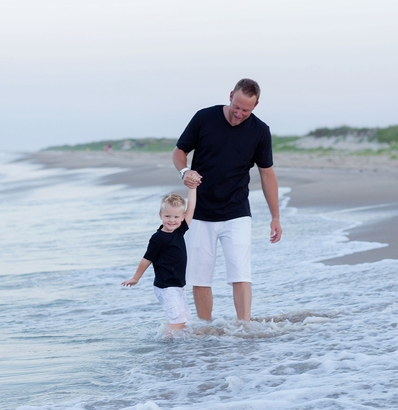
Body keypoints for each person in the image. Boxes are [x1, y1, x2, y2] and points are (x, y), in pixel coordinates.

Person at [171, 78, 282, 322]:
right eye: (237, 107)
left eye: (247, 110)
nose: (240, 114)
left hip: (237, 212)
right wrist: (185, 172)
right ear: (230, 95)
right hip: (199, 212)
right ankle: (206, 330)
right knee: (200, 278)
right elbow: (179, 152)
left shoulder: (260, 131)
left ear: (256, 106)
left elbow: (267, 174)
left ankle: (245, 327)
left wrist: (275, 216)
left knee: (241, 274)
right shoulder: (204, 118)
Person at [121, 187, 198, 330]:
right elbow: (146, 259)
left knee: (185, 321)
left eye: (176, 217)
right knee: (178, 322)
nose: (172, 220)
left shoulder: (179, 231)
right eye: (168, 216)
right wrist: (135, 278)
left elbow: (192, 207)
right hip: (166, 287)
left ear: (182, 217)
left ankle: (177, 349)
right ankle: (168, 347)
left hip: (178, 285)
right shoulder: (158, 238)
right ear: (160, 215)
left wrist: (192, 188)